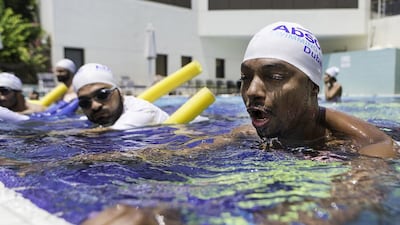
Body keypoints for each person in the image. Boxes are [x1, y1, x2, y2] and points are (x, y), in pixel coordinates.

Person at [80, 21, 399, 224]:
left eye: (274, 76)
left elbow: (345, 199)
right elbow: (173, 158)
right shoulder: (248, 134)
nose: (253, 91)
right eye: (246, 78)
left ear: (313, 88)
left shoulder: (362, 147)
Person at [72, 63, 169, 130]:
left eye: (102, 94)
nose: (95, 106)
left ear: (119, 92)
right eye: (84, 102)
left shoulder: (142, 112)